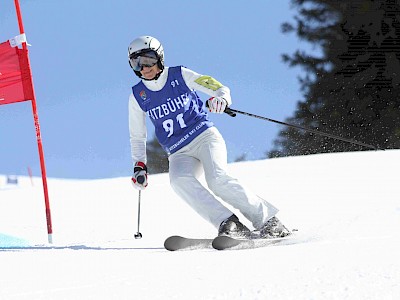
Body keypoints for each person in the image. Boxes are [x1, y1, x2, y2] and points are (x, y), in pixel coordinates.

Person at [128, 35, 289, 238]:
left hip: (204, 137)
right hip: (178, 151)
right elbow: (137, 136)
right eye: (136, 62)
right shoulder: (137, 95)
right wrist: (139, 166)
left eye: (148, 59)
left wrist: (221, 99)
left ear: (159, 57)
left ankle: (269, 221)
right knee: (179, 181)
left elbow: (218, 87)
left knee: (217, 179)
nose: (144, 67)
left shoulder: (180, 74)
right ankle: (228, 222)